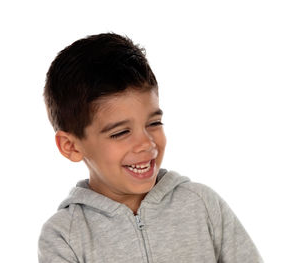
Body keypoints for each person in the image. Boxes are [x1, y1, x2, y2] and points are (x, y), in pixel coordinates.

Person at [38, 33, 263, 263]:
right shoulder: (64, 236)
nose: (146, 143)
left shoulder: (202, 204)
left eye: (154, 123)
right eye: (120, 133)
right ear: (71, 146)